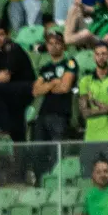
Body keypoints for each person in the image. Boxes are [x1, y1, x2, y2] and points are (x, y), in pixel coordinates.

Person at [31, 30, 77, 176]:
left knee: (56, 151)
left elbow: (64, 87)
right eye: (50, 43)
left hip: (60, 114)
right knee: (38, 150)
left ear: (63, 45)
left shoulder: (70, 63)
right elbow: (36, 91)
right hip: (43, 113)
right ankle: (41, 180)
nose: (53, 46)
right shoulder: (45, 67)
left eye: (57, 43)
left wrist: (47, 86)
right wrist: (52, 84)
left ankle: (56, 181)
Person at [78, 42, 108, 181]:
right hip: (91, 138)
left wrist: (96, 104)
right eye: (98, 54)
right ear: (94, 57)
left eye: (104, 54)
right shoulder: (85, 81)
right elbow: (85, 113)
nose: (101, 57)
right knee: (88, 180)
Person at [0, 25, 36, 143]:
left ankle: (2, 125)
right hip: (9, 92)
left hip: (25, 88)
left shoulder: (14, 49)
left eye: (0, 35)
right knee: (17, 129)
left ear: (7, 36)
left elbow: (5, 77)